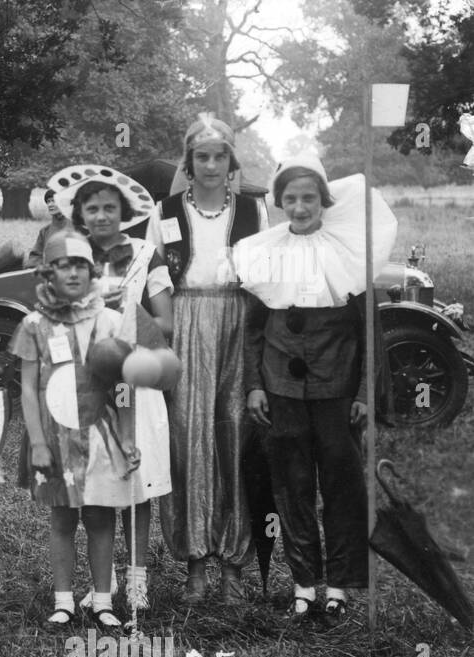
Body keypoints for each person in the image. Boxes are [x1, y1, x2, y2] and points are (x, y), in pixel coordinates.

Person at [236, 155, 395, 623]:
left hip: (337, 392)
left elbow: (370, 334)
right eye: (291, 198)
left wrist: (365, 392)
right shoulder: (263, 253)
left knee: (343, 486)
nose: (300, 207)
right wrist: (253, 386)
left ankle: (340, 587)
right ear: (280, 203)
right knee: (292, 485)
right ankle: (304, 584)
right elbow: (253, 331)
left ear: (324, 201)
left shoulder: (349, 254)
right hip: (282, 391)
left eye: (309, 197)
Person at [146, 114, 266, 605]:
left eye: (220, 156)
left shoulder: (254, 212)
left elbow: (267, 276)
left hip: (239, 321)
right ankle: (195, 562)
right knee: (188, 434)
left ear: (231, 161)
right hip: (186, 317)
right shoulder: (167, 210)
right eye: (202, 156)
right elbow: (153, 279)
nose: (212, 164)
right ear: (189, 162)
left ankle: (234, 565)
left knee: (236, 435)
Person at [49, 164, 171, 610]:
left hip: (134, 373)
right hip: (86, 385)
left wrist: (124, 314)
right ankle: (106, 583)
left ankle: (137, 579)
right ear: (79, 213)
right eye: (92, 208)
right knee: (98, 481)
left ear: (124, 212)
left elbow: (166, 322)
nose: (101, 216)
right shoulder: (70, 256)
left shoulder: (145, 254)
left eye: (109, 208)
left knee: (136, 477)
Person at [11, 232, 138, 630]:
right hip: (55, 435)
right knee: (63, 519)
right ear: (47, 273)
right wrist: (36, 442)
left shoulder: (110, 320)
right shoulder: (34, 324)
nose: (72, 273)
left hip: (99, 434)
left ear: (93, 271)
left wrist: (128, 435)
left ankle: (103, 600)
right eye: (62, 265)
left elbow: (123, 386)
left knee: (101, 518)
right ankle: (63, 600)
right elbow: (28, 387)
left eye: (80, 265)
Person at [25, 188, 72, 269]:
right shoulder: (44, 231)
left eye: (53, 201)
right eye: (48, 202)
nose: (50, 205)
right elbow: (35, 257)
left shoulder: (77, 228)